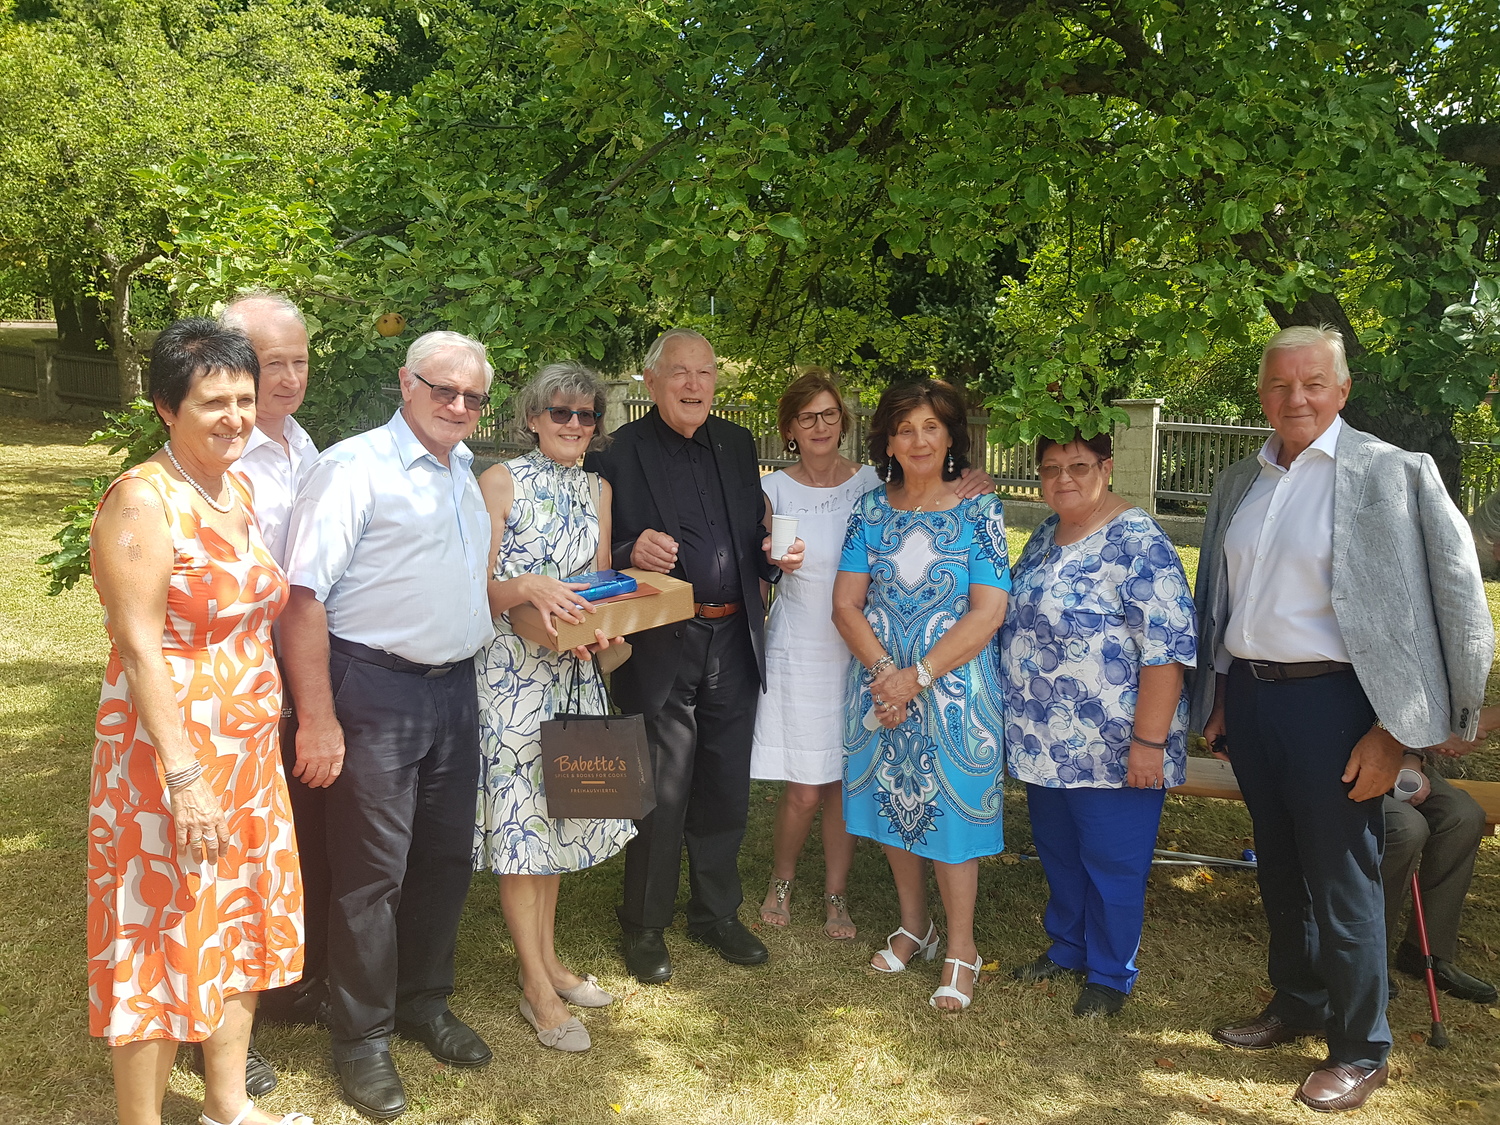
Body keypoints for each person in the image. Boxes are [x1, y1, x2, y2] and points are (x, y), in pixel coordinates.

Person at [1192, 325, 1494, 1113]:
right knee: (1280, 867)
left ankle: (1362, 1048)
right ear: (1261, 393)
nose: (1295, 397)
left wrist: (1400, 728)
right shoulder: (1241, 481)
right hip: (1252, 700)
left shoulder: (1396, 473)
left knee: (1343, 876)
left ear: (1343, 389)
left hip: (1341, 705)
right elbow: (1222, 598)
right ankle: (1299, 1000)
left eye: (1313, 383)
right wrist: (1218, 696)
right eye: (1279, 384)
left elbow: (1458, 600)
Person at [87, 319, 307, 1125]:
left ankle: (227, 1103)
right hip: (168, 760)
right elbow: (140, 647)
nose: (236, 417)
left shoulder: (233, 489)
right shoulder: (142, 501)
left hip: (246, 758)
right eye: (214, 402)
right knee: (158, 932)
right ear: (165, 406)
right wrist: (185, 776)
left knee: (237, 916)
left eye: (245, 398)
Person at [280, 331, 496, 1120]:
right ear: (406, 383)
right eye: (444, 389)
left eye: (474, 397)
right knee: (372, 875)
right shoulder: (354, 468)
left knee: (444, 856)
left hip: (453, 689)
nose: (459, 406)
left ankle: (421, 1001)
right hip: (372, 688)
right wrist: (318, 718)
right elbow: (301, 599)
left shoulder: (463, 468)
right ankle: (361, 1035)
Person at [585, 328, 804, 985]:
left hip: (733, 637)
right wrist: (628, 550)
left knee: (723, 781)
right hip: (661, 640)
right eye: (679, 372)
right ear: (651, 381)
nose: (693, 384)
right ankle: (644, 923)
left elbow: (753, 531)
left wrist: (775, 554)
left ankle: (715, 913)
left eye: (704, 372)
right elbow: (590, 544)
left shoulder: (737, 445)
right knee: (659, 786)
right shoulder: (617, 451)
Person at [751, 369, 994, 940]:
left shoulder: (868, 484)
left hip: (868, 656)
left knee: (845, 780)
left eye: (829, 415)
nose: (819, 426)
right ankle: (782, 879)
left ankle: (837, 892)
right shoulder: (776, 490)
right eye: (807, 417)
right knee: (803, 787)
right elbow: (759, 573)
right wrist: (770, 562)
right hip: (808, 647)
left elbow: (931, 488)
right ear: (789, 428)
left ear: (845, 423)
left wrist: (973, 476)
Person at [999, 432, 1198, 1017]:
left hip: (1114, 746)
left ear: (1106, 467)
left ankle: (1110, 973)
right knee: (1060, 853)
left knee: (1113, 863)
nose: (1063, 478)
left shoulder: (1139, 542)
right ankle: (1068, 948)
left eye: (1079, 466)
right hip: (1045, 740)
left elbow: (1167, 652)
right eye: (1050, 467)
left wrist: (1149, 744)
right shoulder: (1045, 534)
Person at [832, 378, 1010, 1013]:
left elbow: (989, 610)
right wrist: (887, 674)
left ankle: (962, 948)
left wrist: (918, 676)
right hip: (880, 689)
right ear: (887, 442)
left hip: (955, 694)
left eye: (931, 427)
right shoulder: (870, 511)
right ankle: (916, 925)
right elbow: (845, 604)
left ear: (951, 436)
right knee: (893, 802)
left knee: (953, 819)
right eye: (904, 429)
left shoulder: (980, 510)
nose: (918, 440)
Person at [473, 361, 634, 1052]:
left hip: (574, 674)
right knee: (521, 831)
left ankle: (549, 962)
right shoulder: (500, 481)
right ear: (533, 418)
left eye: (586, 414)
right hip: (512, 679)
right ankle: (536, 987)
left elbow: (598, 583)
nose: (574, 424)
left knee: (559, 819)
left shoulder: (599, 487)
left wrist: (607, 629)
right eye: (560, 412)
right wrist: (528, 586)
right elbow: (476, 589)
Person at [221, 293, 326, 1066]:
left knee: (287, 840)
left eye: (299, 361)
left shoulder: (301, 441)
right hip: (233, 680)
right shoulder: (222, 453)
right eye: (271, 364)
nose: (288, 378)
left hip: (298, 670)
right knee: (227, 856)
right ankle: (215, 1028)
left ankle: (282, 986)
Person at [1381, 709, 1497, 1005]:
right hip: (1346, 766)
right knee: (1407, 828)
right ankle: (1367, 956)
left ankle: (1427, 952)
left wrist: (1411, 760)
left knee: (1463, 816)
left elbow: (1409, 708)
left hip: (1399, 759)